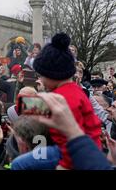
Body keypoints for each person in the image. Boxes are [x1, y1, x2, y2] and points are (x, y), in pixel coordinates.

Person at [33, 32, 102, 169]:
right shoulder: (71, 91)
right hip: (85, 151)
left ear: (53, 74)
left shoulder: (64, 98)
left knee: (19, 163)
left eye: (42, 75)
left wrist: (64, 166)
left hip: (76, 156)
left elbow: (68, 138)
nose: (40, 80)